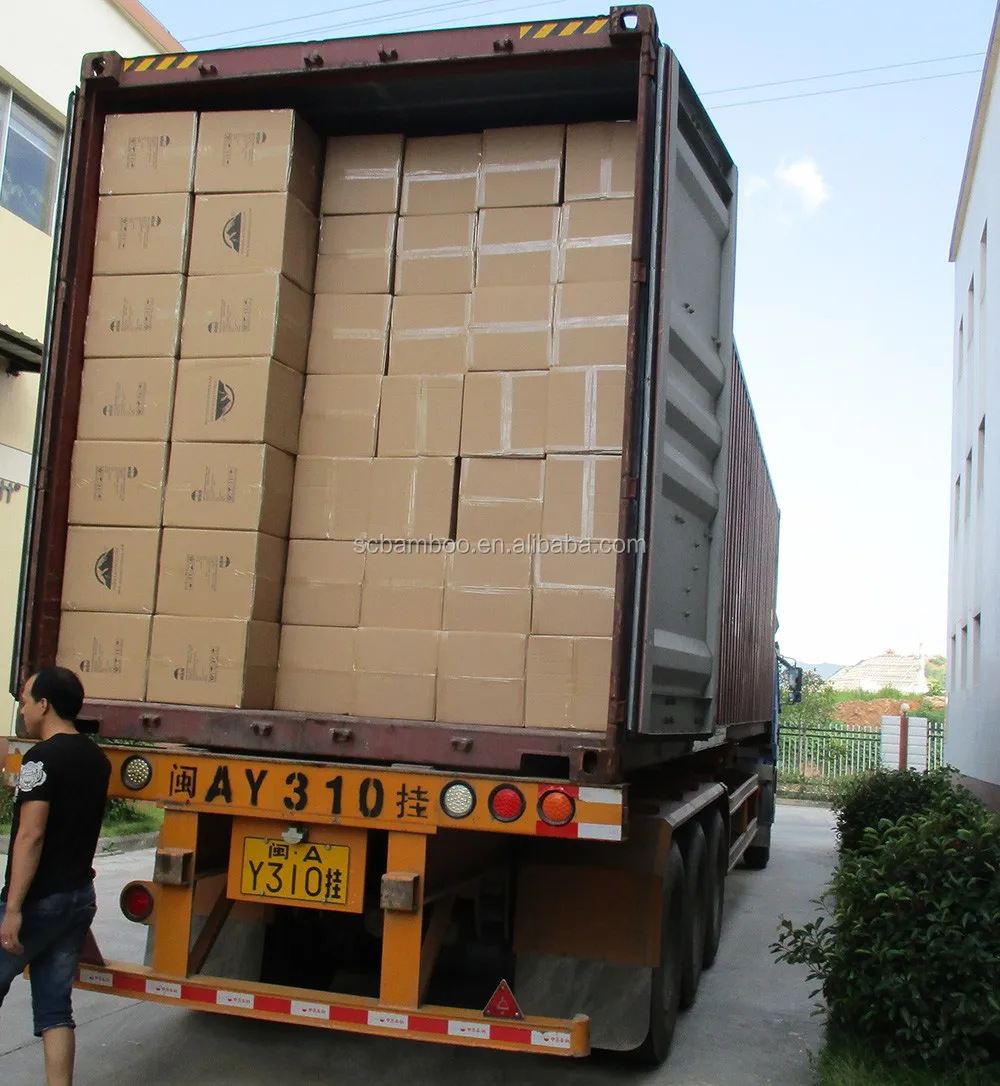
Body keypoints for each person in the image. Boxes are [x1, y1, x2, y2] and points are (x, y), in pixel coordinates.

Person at [0, 668, 111, 1086]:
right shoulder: (96, 759)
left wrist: (13, 908)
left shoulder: (40, 759)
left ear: (44, 705)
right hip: (78, 897)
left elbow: (32, 835)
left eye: (26, 699)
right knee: (54, 1009)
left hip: (39, 901)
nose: (22, 708)